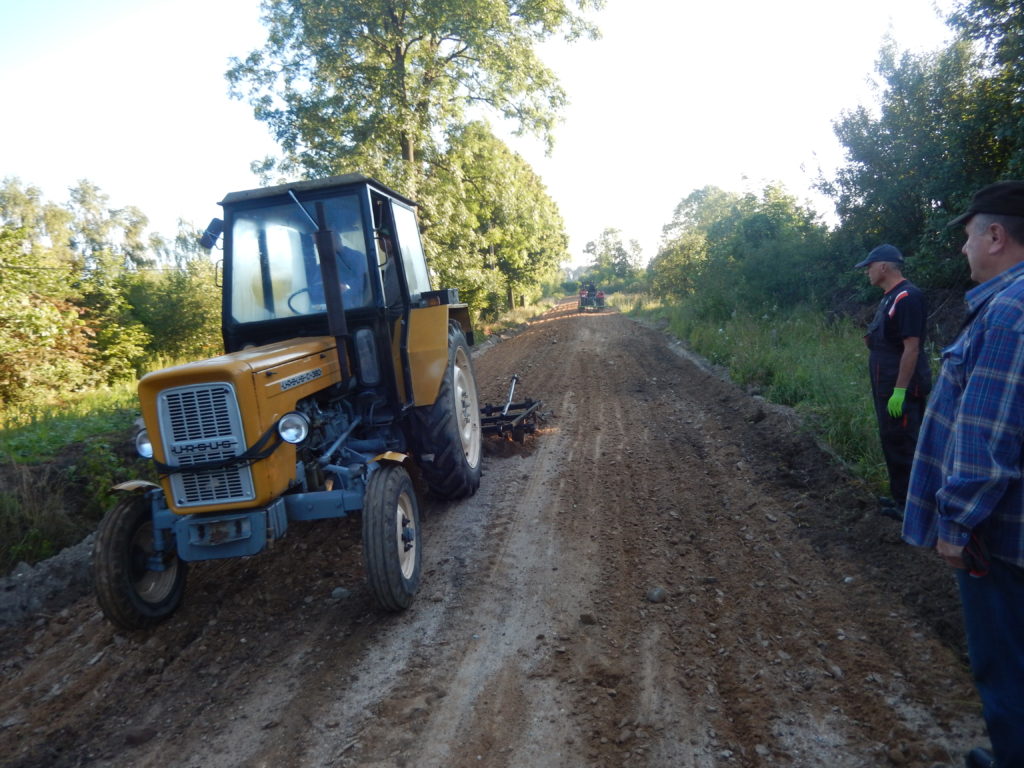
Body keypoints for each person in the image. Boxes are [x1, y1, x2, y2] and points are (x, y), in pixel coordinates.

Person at [903, 180, 1024, 768]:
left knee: (1005, 664)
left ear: (996, 236)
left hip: (1000, 538)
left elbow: (986, 435)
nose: (962, 249)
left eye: (969, 235)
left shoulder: (1007, 313)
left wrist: (956, 523)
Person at [857, 244, 931, 517]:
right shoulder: (890, 297)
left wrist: (900, 392)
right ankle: (900, 499)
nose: (867, 272)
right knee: (892, 440)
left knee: (905, 443)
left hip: (900, 387)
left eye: (869, 266)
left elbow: (912, 347)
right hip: (884, 382)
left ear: (884, 267)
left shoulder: (908, 297)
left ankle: (914, 510)